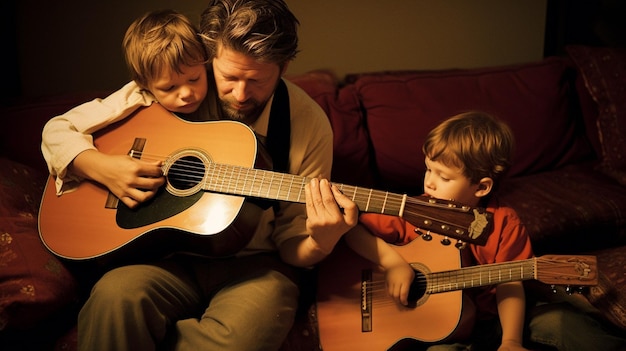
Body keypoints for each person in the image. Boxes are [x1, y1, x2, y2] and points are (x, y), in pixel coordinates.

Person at [41, 1, 358, 350]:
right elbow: (60, 130)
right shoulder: (175, 86)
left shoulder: (308, 124)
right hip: (166, 258)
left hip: (256, 267)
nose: (240, 95)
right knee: (113, 299)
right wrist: (102, 167)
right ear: (208, 54)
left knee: (240, 339)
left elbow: (292, 246)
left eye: (256, 81)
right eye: (229, 77)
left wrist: (320, 242)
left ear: (283, 67)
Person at [344, 112, 534, 351]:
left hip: (491, 322)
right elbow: (353, 230)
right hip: (436, 329)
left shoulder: (506, 224)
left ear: (481, 187)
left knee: (562, 324)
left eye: (443, 177)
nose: (429, 182)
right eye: (428, 169)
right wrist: (393, 262)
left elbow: (511, 283)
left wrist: (511, 342)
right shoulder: (416, 211)